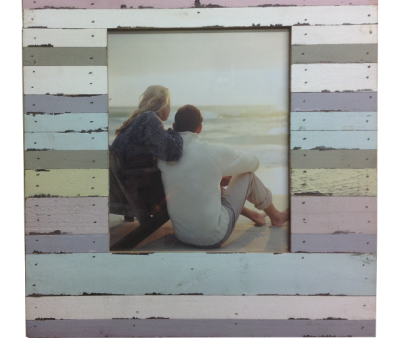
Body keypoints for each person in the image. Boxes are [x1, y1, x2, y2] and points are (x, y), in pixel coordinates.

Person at [158, 105, 289, 248]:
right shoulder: (211, 154)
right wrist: (222, 168)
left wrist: (216, 176)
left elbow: (187, 176)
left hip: (182, 235)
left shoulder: (163, 157)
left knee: (208, 179)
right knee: (248, 176)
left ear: (174, 126)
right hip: (213, 236)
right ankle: (276, 217)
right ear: (199, 128)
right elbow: (254, 163)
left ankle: (254, 215)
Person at [111, 85, 183, 169]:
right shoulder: (149, 118)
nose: (170, 107)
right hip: (125, 176)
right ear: (163, 101)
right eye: (169, 103)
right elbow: (173, 152)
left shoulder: (136, 121)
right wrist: (175, 132)